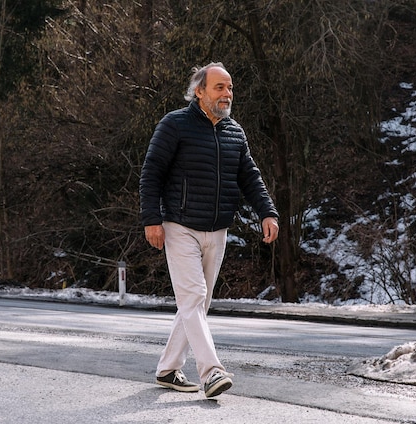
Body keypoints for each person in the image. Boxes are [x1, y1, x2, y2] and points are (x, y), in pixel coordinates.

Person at [139, 62, 279, 398]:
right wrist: (151, 219)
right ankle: (212, 372)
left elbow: (250, 177)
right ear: (199, 91)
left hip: (217, 230)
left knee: (197, 304)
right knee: (193, 298)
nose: (227, 94)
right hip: (179, 225)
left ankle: (168, 369)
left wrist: (268, 212)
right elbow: (151, 173)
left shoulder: (234, 132)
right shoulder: (175, 124)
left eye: (230, 87)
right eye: (219, 87)